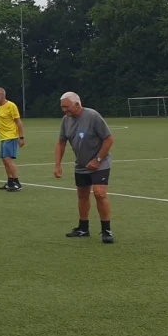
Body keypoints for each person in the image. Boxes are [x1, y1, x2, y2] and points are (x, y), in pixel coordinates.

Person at [55, 92, 115, 244]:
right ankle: (83, 228)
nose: (64, 111)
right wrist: (58, 164)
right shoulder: (66, 120)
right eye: (62, 108)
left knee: (100, 194)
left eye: (66, 107)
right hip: (81, 164)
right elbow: (61, 142)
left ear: (77, 104)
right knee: (82, 195)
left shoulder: (93, 116)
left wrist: (97, 159)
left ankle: (106, 230)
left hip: (100, 163)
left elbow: (109, 139)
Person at [0, 87, 25, 191]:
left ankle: (17, 182)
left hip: (10, 136)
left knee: (7, 159)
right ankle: (10, 181)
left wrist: (21, 137)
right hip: (3, 138)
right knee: (4, 160)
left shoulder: (11, 106)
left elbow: (18, 122)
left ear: (2, 95)